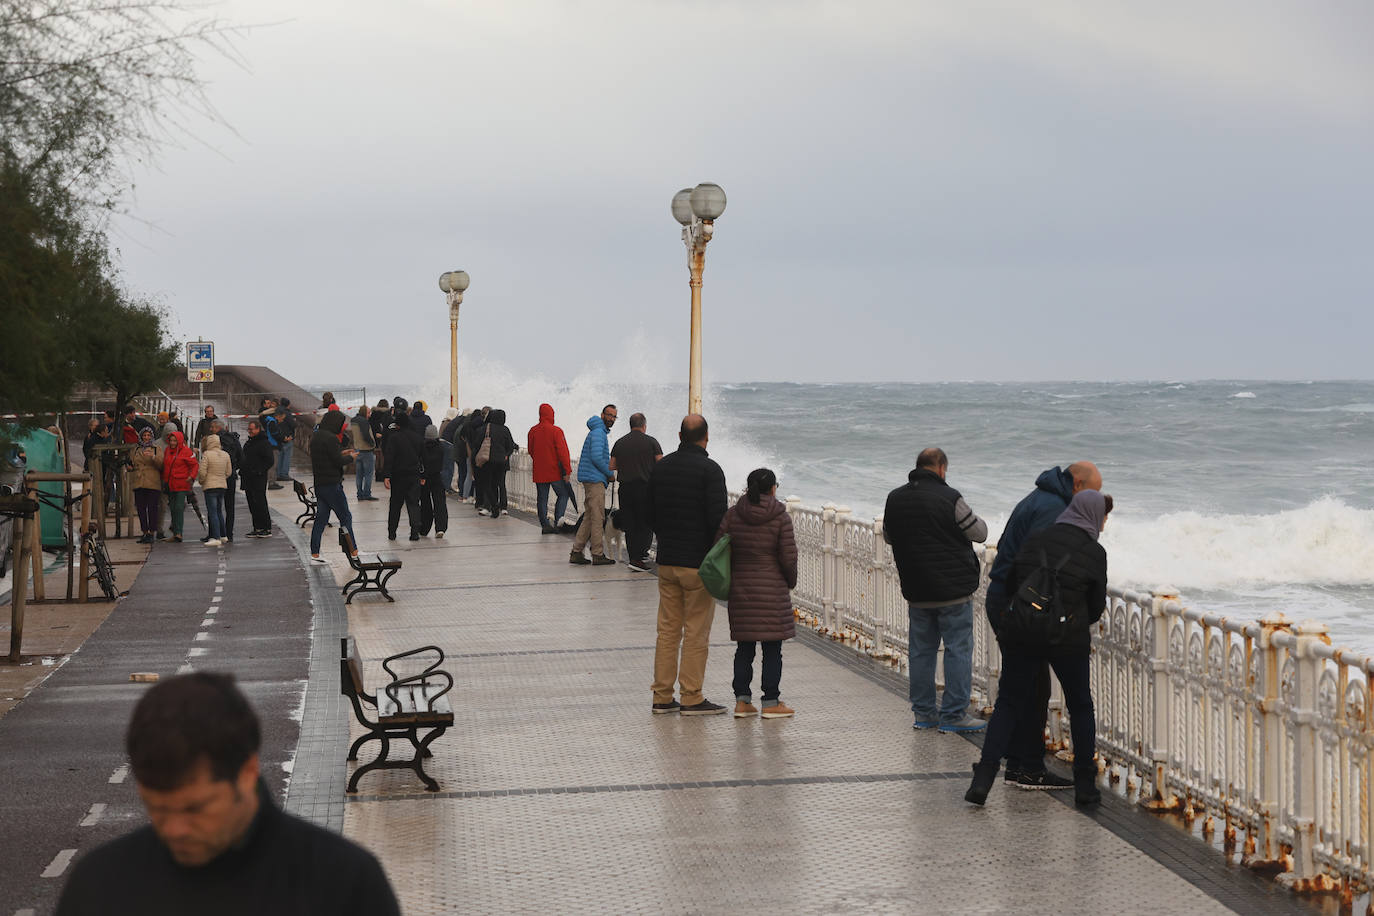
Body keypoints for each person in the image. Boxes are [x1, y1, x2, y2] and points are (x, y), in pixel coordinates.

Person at [55, 672, 400, 915]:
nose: (174, 830)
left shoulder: (343, 884)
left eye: (195, 808)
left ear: (247, 772)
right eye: (157, 808)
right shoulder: (99, 885)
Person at [966, 490, 1111, 808]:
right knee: (1080, 706)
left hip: (1024, 632)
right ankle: (1085, 786)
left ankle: (983, 778)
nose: (1103, 524)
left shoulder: (1036, 540)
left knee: (1008, 703)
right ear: (1092, 516)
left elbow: (1014, 581)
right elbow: (1096, 607)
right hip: (1067, 639)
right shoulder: (1094, 552)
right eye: (1102, 517)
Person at [882, 447, 989, 733]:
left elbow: (889, 536)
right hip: (953, 590)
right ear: (941, 468)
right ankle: (953, 715)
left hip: (917, 587)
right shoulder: (950, 497)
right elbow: (980, 533)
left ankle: (924, 714)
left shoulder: (895, 498)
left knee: (921, 652)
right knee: (957, 650)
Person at [646, 414, 729, 715]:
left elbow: (650, 512)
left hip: (667, 561)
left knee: (668, 630)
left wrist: (665, 538)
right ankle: (692, 697)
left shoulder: (661, 467)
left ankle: (662, 695)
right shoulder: (711, 471)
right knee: (695, 631)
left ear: (680, 436)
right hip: (697, 565)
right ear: (706, 437)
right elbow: (718, 521)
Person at [717, 468, 798, 718]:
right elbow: (788, 557)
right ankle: (771, 702)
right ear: (773, 488)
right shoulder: (780, 516)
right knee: (772, 649)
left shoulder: (733, 514)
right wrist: (790, 581)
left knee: (744, 648)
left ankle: (742, 702)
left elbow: (719, 547)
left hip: (741, 590)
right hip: (772, 591)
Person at [610, 412, 662, 571]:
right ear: (644, 426)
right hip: (645, 489)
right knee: (645, 522)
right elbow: (661, 464)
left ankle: (633, 556)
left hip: (625, 488)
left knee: (630, 523)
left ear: (630, 425)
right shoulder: (652, 442)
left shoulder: (620, 442)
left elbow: (612, 465)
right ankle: (640, 557)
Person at [569, 404, 616, 565]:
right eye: (609, 415)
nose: (611, 419)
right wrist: (609, 473)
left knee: (589, 517)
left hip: (591, 477)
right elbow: (596, 457)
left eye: (614, 416)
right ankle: (597, 553)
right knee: (597, 517)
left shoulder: (597, 431)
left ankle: (577, 551)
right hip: (595, 479)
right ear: (602, 415)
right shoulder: (598, 433)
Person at [309, 410, 357, 563]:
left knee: (321, 520)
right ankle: (354, 551)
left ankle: (315, 554)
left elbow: (328, 456)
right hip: (332, 485)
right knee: (345, 517)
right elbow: (337, 462)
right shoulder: (331, 438)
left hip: (320, 484)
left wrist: (342, 453)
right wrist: (351, 457)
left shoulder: (316, 436)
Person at [527, 403, 574, 534]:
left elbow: (531, 450)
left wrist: (539, 460)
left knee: (542, 498)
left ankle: (545, 525)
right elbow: (563, 453)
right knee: (563, 494)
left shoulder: (533, 431)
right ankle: (558, 521)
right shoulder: (556, 431)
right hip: (555, 471)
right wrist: (567, 470)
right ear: (551, 414)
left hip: (540, 470)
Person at [382, 401, 423, 541]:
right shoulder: (417, 438)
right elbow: (422, 458)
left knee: (395, 505)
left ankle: (392, 532)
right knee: (413, 504)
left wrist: (386, 476)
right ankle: (415, 532)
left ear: (398, 424)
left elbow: (389, 458)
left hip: (398, 476)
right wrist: (423, 475)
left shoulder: (394, 438)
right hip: (414, 475)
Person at [161, 431, 199, 543]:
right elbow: (165, 466)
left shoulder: (186, 451)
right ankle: (175, 532)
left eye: (175, 441)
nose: (172, 443)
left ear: (180, 441)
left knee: (178, 507)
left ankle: (178, 533)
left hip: (182, 483)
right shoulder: (167, 450)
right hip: (170, 484)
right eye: (171, 440)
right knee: (172, 508)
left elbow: (195, 465)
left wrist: (191, 477)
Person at [241, 420, 275, 538]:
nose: (249, 431)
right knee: (252, 504)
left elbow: (269, 460)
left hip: (258, 479)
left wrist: (259, 471)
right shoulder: (249, 442)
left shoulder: (264, 443)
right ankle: (257, 527)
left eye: (251, 429)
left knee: (260, 503)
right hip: (248, 478)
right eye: (249, 429)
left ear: (258, 429)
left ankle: (266, 528)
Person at [196, 433, 232, 547]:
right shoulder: (226, 454)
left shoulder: (207, 454)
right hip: (222, 486)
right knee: (219, 511)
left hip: (210, 486)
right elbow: (229, 472)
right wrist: (222, 478)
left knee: (212, 512)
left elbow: (202, 472)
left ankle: (215, 537)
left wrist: (202, 481)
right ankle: (223, 535)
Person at [211, 419, 242, 543]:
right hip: (231, 476)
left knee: (214, 506)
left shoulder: (215, 440)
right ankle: (229, 533)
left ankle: (215, 533)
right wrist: (233, 468)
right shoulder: (234, 439)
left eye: (212, 427)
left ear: (218, 428)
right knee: (230, 507)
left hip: (217, 477)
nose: (211, 429)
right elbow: (241, 457)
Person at [130, 427, 163, 544]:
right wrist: (130, 467)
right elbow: (132, 462)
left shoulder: (156, 448)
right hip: (139, 482)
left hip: (152, 482)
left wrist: (153, 457)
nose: (146, 437)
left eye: (148, 435)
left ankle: (151, 532)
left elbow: (161, 464)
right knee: (141, 509)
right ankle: (144, 532)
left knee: (152, 508)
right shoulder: (136, 449)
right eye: (144, 435)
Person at [416, 424, 447, 537]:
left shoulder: (422, 447)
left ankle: (424, 528)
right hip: (437, 477)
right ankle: (441, 527)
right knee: (440, 503)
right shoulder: (441, 447)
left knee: (425, 503)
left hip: (424, 478)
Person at [351, 404, 378, 501]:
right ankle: (367, 494)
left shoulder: (353, 420)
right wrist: (372, 444)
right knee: (368, 474)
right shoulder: (364, 421)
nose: (369, 415)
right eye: (368, 413)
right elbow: (366, 435)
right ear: (364, 412)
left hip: (357, 450)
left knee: (359, 475)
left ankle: (359, 494)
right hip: (366, 450)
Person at [274, 399, 296, 485]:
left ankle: (278, 474)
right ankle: (284, 474)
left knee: (280, 456)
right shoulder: (287, 413)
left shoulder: (276, 411)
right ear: (288, 405)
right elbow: (293, 425)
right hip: (288, 437)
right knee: (287, 456)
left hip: (279, 437)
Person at [370, 399, 390, 483]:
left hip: (375, 438)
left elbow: (370, 425)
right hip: (385, 438)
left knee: (377, 457)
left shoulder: (373, 414)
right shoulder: (388, 414)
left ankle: (377, 475)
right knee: (384, 457)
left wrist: (375, 434)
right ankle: (383, 475)